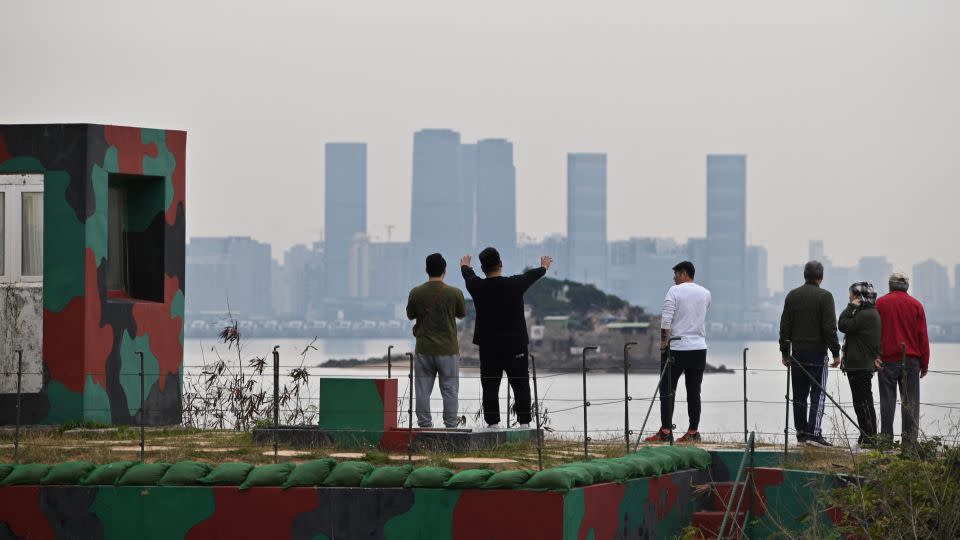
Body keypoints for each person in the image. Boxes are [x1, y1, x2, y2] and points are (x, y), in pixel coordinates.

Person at [461, 247, 551, 429]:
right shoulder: (514, 284)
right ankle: (524, 424)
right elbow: (531, 276)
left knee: (490, 386)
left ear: (483, 268)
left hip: (488, 347)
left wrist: (465, 265)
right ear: (501, 264)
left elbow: (468, 276)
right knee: (520, 384)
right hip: (515, 345)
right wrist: (544, 267)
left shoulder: (477, 287)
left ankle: (493, 425)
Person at [645, 261, 711, 443]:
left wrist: (663, 342)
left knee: (667, 390)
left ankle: (666, 431)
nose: (674, 279)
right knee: (694, 392)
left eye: (675, 274)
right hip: (699, 348)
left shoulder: (674, 291)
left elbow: (666, 320)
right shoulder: (706, 293)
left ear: (683, 273)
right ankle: (692, 432)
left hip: (677, 348)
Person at [779, 260, 841, 447]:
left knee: (798, 396)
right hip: (817, 354)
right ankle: (814, 435)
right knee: (818, 394)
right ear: (821, 277)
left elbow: (785, 327)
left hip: (796, 353)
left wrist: (784, 351)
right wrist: (836, 352)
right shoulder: (825, 296)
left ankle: (801, 435)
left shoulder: (792, 296)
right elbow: (829, 328)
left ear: (804, 275)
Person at [406, 253, 467, 428]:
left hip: (424, 349)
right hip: (448, 350)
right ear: (445, 270)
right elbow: (462, 314)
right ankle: (450, 426)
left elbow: (410, 315)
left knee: (422, 391)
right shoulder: (454, 293)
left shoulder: (416, 293)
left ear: (426, 270)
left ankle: (424, 425)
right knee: (449, 390)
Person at [876, 272, 930, 448]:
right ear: (907, 286)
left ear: (890, 285)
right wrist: (925, 363)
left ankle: (885, 441)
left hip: (886, 359)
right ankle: (909, 443)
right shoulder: (916, 305)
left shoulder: (880, 304)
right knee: (910, 402)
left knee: (887, 401)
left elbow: (874, 333)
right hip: (911, 360)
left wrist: (874, 356)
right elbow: (923, 336)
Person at [838, 282, 881, 448]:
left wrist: (850, 307)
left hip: (860, 366)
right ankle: (866, 436)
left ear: (859, 296)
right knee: (861, 403)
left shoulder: (864, 315)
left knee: (863, 403)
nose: (850, 298)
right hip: (860, 365)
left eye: (852, 295)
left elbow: (842, 324)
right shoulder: (869, 312)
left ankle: (869, 437)